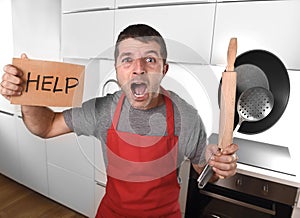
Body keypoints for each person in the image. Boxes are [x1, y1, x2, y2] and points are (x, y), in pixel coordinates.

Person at [0, 24, 238, 217]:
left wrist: (215, 164)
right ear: (116, 69)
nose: (138, 69)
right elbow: (47, 126)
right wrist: (26, 96)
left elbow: (203, 169)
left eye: (150, 60)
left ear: (164, 69)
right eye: (127, 59)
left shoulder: (185, 116)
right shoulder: (103, 110)